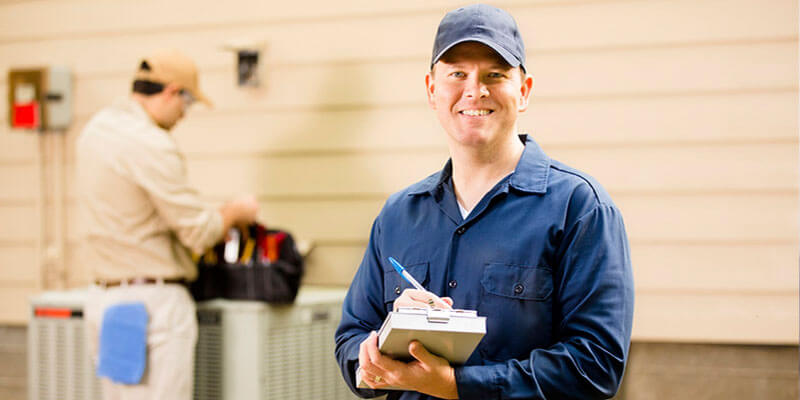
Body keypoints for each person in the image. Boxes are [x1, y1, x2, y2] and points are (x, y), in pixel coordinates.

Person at [334, 4, 634, 399]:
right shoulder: (397, 215)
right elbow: (350, 342)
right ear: (432, 90)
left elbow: (596, 364)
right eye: (457, 74)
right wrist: (382, 347)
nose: (475, 90)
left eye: (495, 74)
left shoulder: (579, 208)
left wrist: (459, 387)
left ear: (523, 91)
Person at [77, 49, 260, 400]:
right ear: (172, 91)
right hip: (152, 305)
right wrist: (235, 212)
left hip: (105, 299)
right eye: (186, 104)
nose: (182, 116)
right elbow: (199, 232)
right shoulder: (150, 143)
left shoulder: (96, 132)